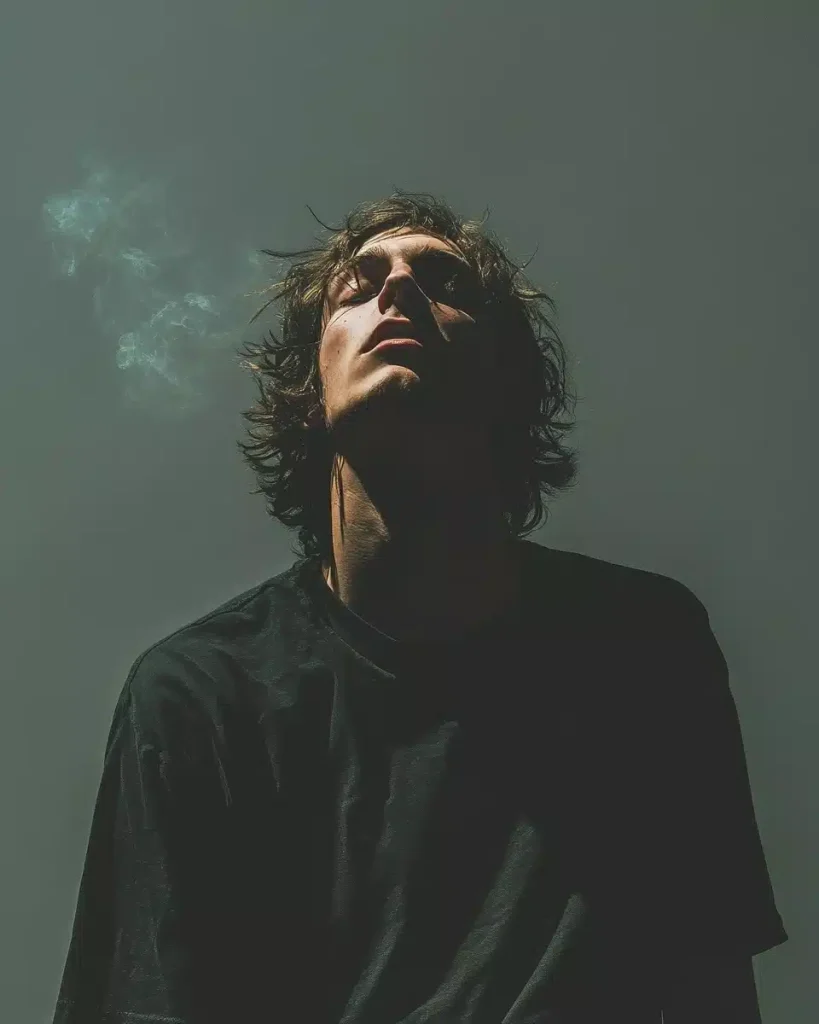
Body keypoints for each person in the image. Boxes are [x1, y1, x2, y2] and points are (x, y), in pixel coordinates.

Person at [52, 191, 788, 1023]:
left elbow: (709, 987)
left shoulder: (640, 648)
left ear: (505, 380)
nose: (397, 289)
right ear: (311, 389)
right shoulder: (198, 695)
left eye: (445, 284)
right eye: (358, 285)